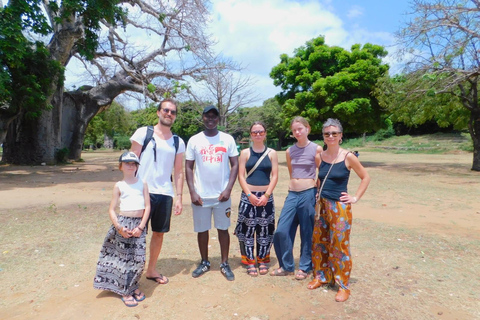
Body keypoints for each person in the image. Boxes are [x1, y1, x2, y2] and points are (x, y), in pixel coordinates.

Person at [307, 118, 370, 303]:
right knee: (319, 241)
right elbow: (320, 178)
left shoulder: (349, 156)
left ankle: (343, 284)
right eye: (327, 134)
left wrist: (355, 198)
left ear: (341, 136)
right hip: (323, 205)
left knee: (339, 244)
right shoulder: (320, 156)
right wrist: (318, 194)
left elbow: (365, 177)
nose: (331, 136)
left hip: (340, 207)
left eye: (334, 133)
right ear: (323, 137)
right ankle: (321, 276)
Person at [130, 99, 185, 285]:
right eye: (166, 110)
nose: (169, 114)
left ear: (175, 117)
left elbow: (178, 171)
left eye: (173, 112)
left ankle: (151, 269)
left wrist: (179, 197)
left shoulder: (178, 142)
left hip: (164, 193)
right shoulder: (143, 133)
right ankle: (132, 273)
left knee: (159, 233)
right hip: (141, 192)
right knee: (136, 232)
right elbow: (132, 161)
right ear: (158, 112)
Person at [185, 105, 239, 281]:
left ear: (218, 119)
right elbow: (188, 167)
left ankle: (224, 263)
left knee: (223, 229)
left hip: (222, 195)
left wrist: (228, 189)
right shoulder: (194, 140)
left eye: (214, 117)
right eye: (207, 116)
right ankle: (205, 262)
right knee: (202, 230)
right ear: (203, 118)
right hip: (201, 196)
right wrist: (192, 192)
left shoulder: (227, 139)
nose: (210, 119)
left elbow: (235, 165)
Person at [93, 151, 151, 307]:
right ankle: (125, 291)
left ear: (137, 167)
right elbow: (112, 209)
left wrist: (141, 226)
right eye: (127, 163)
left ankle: (133, 286)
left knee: (138, 260)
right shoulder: (119, 185)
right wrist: (119, 227)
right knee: (124, 259)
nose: (131, 166)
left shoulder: (143, 183)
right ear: (121, 166)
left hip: (139, 224)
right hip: (123, 224)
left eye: (134, 164)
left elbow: (147, 206)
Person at [271, 117, 321, 280]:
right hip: (292, 194)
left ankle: (305, 267)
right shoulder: (289, 151)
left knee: (307, 232)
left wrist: (317, 193)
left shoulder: (316, 149)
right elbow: (292, 172)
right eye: (294, 130)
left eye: (300, 128)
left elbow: (320, 173)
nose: (297, 132)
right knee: (281, 230)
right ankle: (286, 266)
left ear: (308, 128)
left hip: (309, 193)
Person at [235, 121, 279, 276]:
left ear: (265, 133)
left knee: (265, 230)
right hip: (248, 197)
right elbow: (241, 176)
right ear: (251, 135)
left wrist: (266, 195)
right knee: (247, 230)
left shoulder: (272, 153)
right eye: (254, 132)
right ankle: (249, 261)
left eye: (261, 132)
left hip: (266, 197)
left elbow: (275, 176)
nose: (258, 134)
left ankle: (263, 260)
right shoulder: (245, 153)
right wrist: (249, 194)